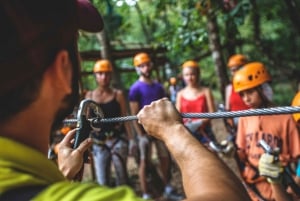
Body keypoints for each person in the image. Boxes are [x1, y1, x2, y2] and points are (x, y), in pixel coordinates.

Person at [0, 1, 252, 200]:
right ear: (62, 70)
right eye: (75, 44)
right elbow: (228, 196)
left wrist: (59, 178)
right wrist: (174, 130)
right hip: (126, 136)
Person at [233, 62, 300, 200]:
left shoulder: (285, 117)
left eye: (250, 92)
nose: (246, 99)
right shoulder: (244, 118)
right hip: (253, 184)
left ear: (263, 89)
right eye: (242, 94)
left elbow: (296, 155)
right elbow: (242, 152)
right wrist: (231, 153)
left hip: (280, 182)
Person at [129, 52, 181, 200]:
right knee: (145, 161)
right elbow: (134, 114)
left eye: (147, 64)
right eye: (141, 66)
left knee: (165, 158)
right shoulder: (135, 89)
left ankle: (167, 187)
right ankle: (146, 194)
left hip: (161, 129)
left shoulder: (158, 86)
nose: (145, 68)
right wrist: (140, 135)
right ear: (137, 68)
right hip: (144, 131)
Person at [85, 59, 136, 186]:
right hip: (98, 142)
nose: (104, 77)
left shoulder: (117, 95)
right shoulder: (89, 97)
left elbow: (125, 118)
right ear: (95, 76)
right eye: (100, 73)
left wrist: (132, 140)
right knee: (102, 181)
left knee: (122, 178)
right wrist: (85, 145)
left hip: (118, 140)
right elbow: (86, 123)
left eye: (107, 74)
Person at [176, 60, 216, 144]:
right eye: (186, 75)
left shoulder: (206, 91)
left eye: (192, 74)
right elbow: (177, 115)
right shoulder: (180, 94)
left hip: (205, 131)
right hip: (187, 132)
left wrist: (199, 122)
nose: (189, 78)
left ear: (197, 75)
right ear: (183, 77)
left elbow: (212, 112)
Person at [224, 54, 250, 133]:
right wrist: (231, 123)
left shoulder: (253, 86)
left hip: (252, 120)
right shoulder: (229, 88)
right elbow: (227, 109)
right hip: (237, 125)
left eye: (238, 69)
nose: (236, 72)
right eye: (233, 70)